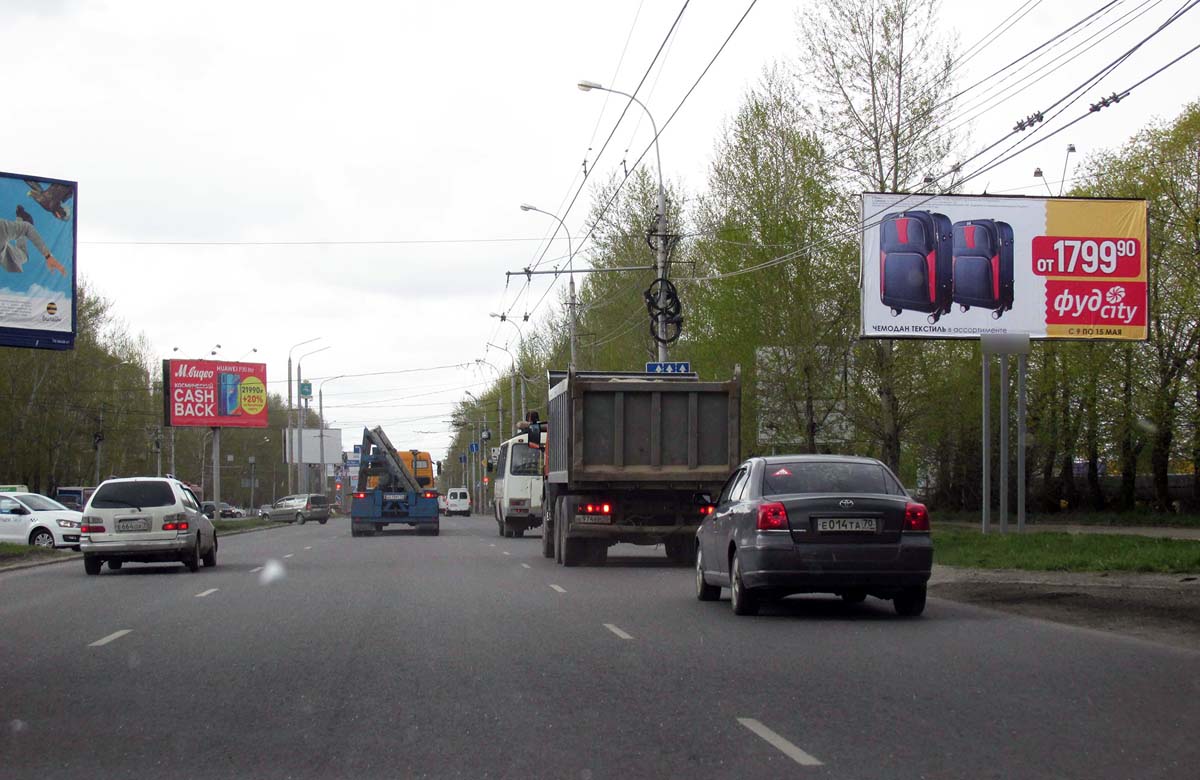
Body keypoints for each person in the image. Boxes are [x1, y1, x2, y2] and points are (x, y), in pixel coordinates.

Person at [0, 215, 65, 275]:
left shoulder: (2, 228)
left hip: (8, 255)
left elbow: (27, 229)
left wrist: (48, 256)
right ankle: (20, 220)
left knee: (23, 255)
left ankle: (21, 219)